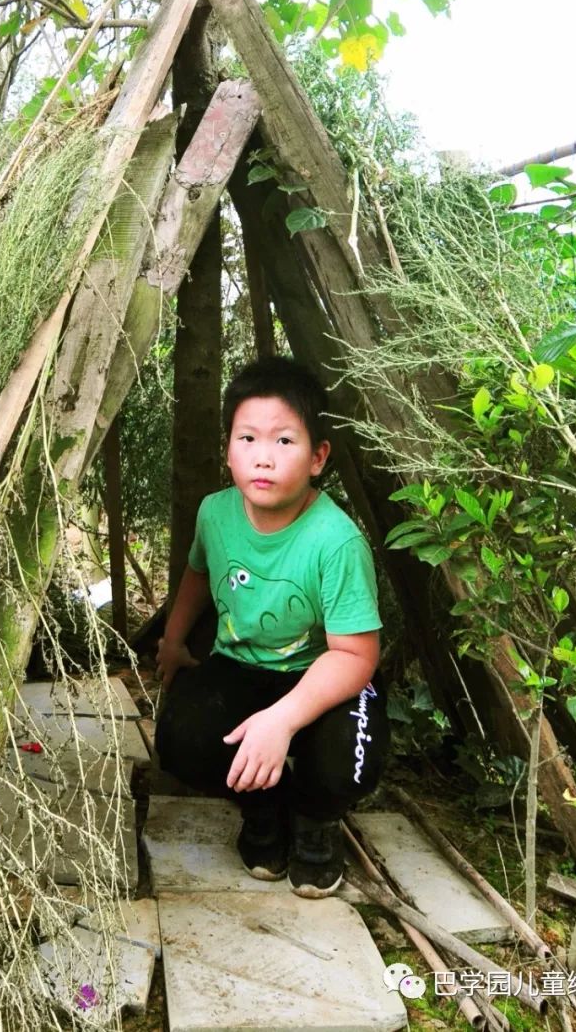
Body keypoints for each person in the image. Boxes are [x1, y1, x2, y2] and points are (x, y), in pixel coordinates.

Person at [155, 356, 388, 898]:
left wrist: (280, 721)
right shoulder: (216, 513)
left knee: (347, 769)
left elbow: (356, 656)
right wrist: (172, 639)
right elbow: (197, 571)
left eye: (284, 441)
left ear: (317, 457)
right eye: (248, 438)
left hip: (323, 678)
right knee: (181, 739)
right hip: (240, 667)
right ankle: (262, 809)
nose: (263, 458)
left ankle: (314, 824)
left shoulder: (336, 540)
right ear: (229, 450)